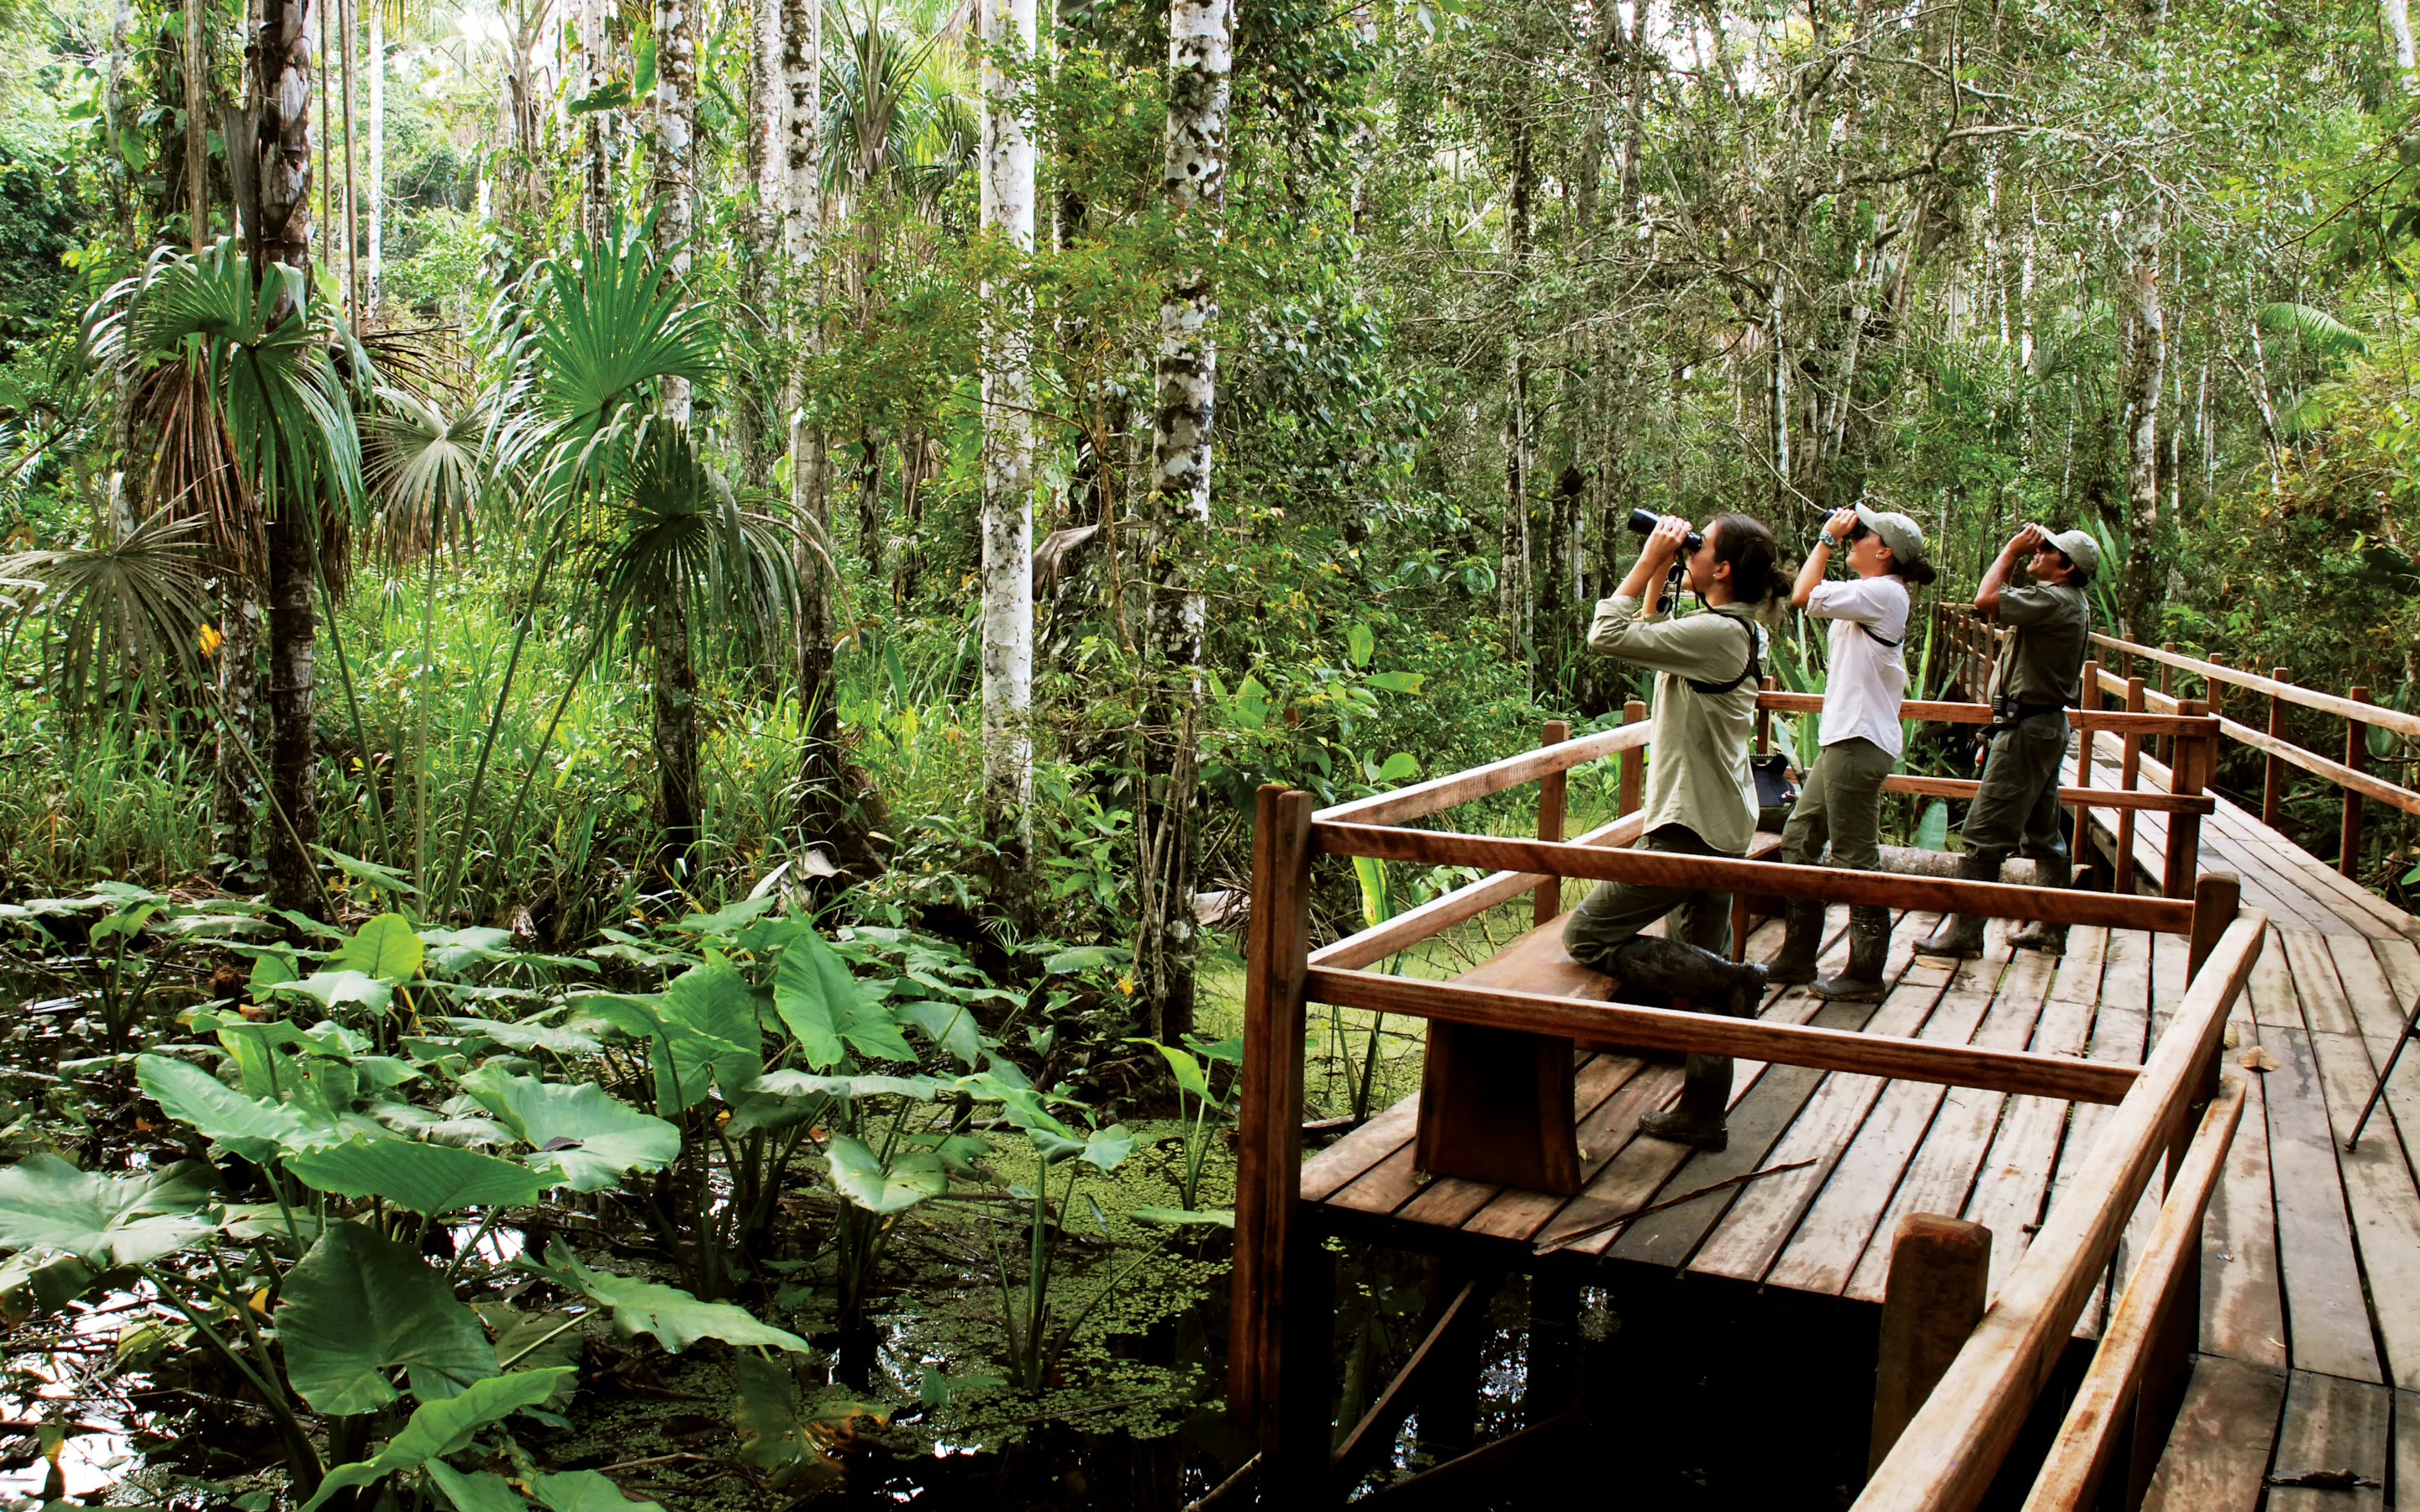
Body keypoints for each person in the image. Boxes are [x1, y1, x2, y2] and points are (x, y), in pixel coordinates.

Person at [1564, 512, 1794, 1152]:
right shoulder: (1735, 628)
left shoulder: (1720, 633)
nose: (1690, 553)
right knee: (1699, 956)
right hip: (1719, 819)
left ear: (1720, 569)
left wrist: (1649, 559)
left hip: (1689, 827)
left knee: (1588, 935)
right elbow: (1650, 632)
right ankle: (1702, 1112)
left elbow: (1607, 634)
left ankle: (1733, 980)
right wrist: (1667, 566)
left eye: (1701, 548)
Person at [1769, 503, 1938, 1000]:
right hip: (1843, 740)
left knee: (1855, 857)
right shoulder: (1872, 593)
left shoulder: (1883, 593)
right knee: (1799, 839)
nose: (1853, 538)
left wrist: (1825, 537)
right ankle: (1797, 957)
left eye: (1862, 534)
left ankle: (1865, 972)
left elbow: (1803, 594)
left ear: (1883, 552)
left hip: (1860, 742)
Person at [1917, 522, 2100, 958]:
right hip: (2039, 727)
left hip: (2028, 731)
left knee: (1984, 835)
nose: (2039, 552)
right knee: (2044, 834)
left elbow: (1985, 601)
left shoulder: (2057, 599)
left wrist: (2013, 551)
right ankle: (2049, 927)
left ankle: (1964, 933)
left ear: (2066, 566)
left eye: (2048, 550)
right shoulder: (2064, 601)